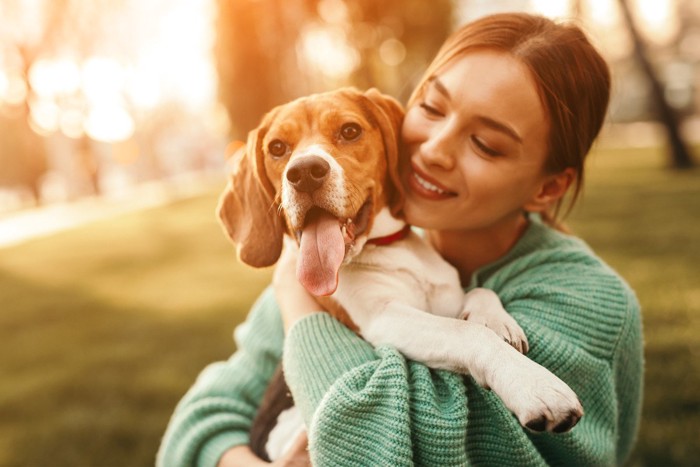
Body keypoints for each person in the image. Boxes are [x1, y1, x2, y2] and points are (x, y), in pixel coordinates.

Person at [157, 12, 643, 467]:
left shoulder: (585, 303)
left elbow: (373, 450)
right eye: (431, 108)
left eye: (486, 143)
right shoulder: (324, 257)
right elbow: (201, 419)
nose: (433, 150)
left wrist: (299, 306)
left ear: (548, 187)